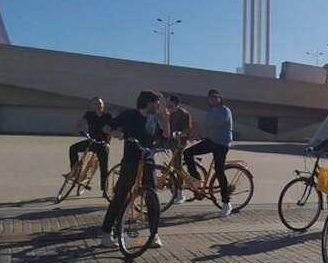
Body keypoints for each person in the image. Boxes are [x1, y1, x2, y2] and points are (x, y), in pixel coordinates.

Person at [100, 90, 168, 248]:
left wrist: (167, 120)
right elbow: (107, 127)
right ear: (148, 103)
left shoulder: (154, 119)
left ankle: (154, 234)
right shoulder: (129, 115)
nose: (158, 106)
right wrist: (115, 131)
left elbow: (164, 137)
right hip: (131, 161)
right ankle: (106, 233)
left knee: (152, 198)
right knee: (121, 195)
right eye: (156, 103)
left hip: (148, 161)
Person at [184, 89, 233, 217]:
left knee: (219, 170)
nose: (212, 99)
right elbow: (203, 127)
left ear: (219, 98)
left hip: (222, 144)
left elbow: (214, 127)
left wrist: (199, 135)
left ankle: (226, 203)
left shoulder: (224, 111)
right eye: (210, 98)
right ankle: (196, 179)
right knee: (187, 153)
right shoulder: (210, 112)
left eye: (214, 97)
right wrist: (190, 134)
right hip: (211, 141)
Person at [68, 97, 113, 194]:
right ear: (93, 105)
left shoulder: (108, 116)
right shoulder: (89, 114)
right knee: (73, 148)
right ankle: (74, 171)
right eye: (96, 104)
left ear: (103, 105)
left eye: (100, 104)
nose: (98, 106)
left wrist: (108, 143)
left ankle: (104, 189)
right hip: (91, 141)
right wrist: (76, 130)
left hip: (102, 144)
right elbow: (80, 122)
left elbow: (111, 131)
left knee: (104, 167)